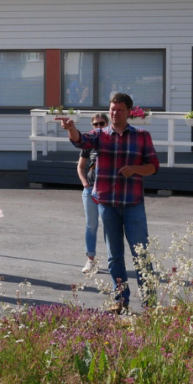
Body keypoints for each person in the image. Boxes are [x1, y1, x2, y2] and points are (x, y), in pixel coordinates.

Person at [58, 92, 159, 313]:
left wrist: (135, 169)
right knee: (115, 257)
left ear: (129, 112)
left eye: (119, 109)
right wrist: (71, 129)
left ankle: (150, 304)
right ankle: (120, 300)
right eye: (112, 109)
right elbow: (81, 140)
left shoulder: (142, 136)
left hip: (133, 205)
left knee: (141, 256)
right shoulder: (100, 134)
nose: (114, 113)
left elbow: (153, 166)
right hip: (107, 205)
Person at [77, 113, 108, 273]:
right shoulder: (89, 144)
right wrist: (85, 185)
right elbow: (80, 167)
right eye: (95, 124)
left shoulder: (113, 141)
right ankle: (90, 259)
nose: (98, 127)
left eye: (101, 123)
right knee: (91, 226)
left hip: (108, 190)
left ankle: (113, 259)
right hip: (90, 189)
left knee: (110, 226)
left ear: (107, 124)